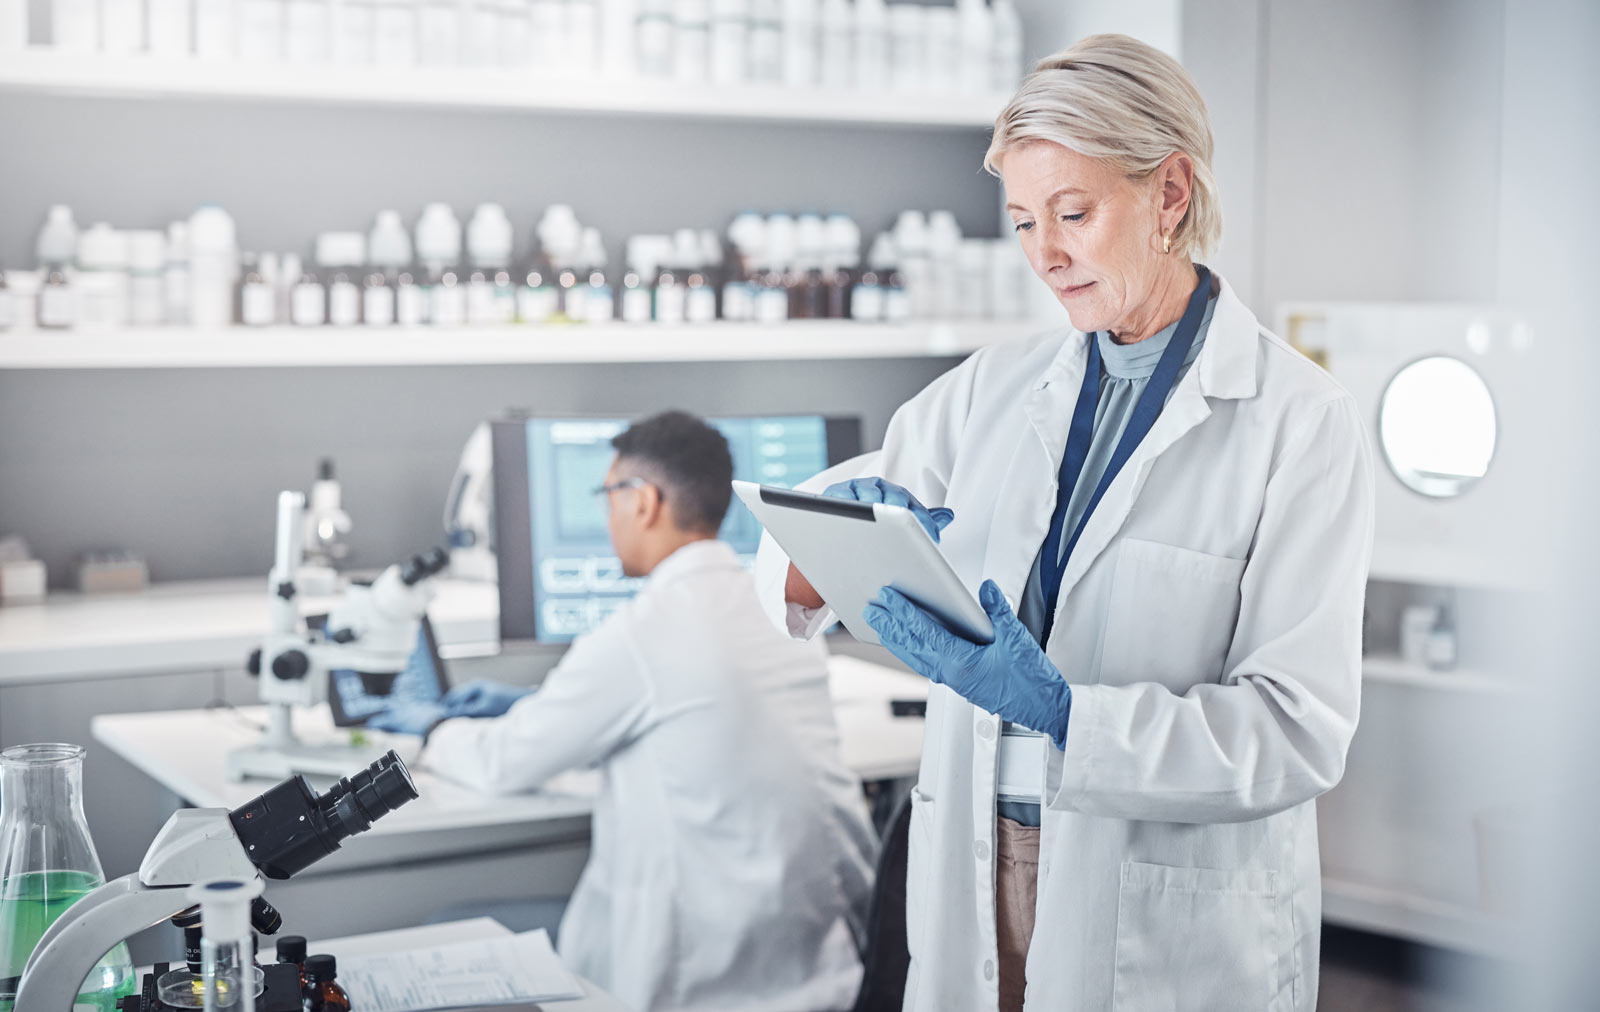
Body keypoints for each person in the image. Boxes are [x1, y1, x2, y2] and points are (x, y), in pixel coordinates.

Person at [763, 34, 1374, 1012]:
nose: (1044, 253)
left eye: (1074, 213)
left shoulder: (1298, 422)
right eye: (1020, 222)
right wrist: (821, 543)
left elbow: (1294, 731)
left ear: (1170, 194)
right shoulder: (991, 390)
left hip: (1160, 900)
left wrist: (1067, 714)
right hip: (980, 858)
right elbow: (806, 566)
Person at [374, 410, 877, 1012]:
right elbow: (689, 729)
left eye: (609, 493)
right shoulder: (779, 615)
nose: (606, 513)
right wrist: (536, 705)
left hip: (693, 984)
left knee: (451, 921)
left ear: (643, 502)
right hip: (815, 969)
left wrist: (433, 727)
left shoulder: (641, 632)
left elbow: (503, 763)